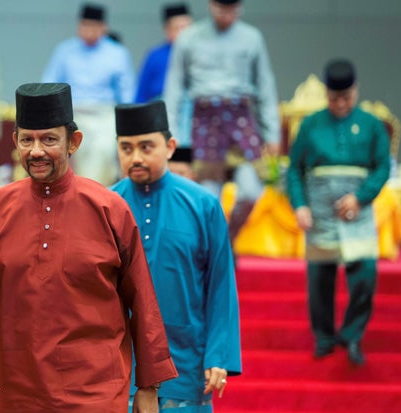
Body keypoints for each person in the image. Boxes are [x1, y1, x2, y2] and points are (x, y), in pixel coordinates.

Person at [0, 83, 177, 413]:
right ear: (14, 141)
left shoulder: (108, 208)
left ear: (73, 141)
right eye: (27, 140)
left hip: (97, 392)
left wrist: (148, 387)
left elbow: (143, 301)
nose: (36, 151)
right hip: (24, 395)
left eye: (49, 139)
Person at [111, 100, 241, 413]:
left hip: (184, 357)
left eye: (146, 147)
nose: (136, 157)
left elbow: (220, 285)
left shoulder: (203, 205)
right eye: (126, 148)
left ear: (169, 146)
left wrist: (219, 355)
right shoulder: (105, 205)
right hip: (123, 361)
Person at [287, 59, 390, 366]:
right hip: (320, 207)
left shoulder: (372, 124)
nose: (341, 104)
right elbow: (294, 169)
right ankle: (324, 336)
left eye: (346, 98)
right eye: (334, 99)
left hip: (357, 208)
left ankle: (353, 334)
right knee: (320, 278)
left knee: (364, 275)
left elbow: (383, 167)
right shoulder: (310, 124)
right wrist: (300, 205)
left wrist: (361, 197)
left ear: (356, 91)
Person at [163, 0, 280, 244]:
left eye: (232, 9)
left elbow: (265, 86)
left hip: (241, 117)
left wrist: (272, 134)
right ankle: (214, 248)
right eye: (221, 9)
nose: (227, 15)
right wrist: (170, 135)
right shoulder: (188, 39)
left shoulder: (252, 37)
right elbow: (174, 88)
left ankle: (227, 237)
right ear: (210, 5)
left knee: (251, 191)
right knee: (208, 199)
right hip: (205, 121)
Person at [42, 3, 135, 186]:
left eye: (94, 26)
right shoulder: (65, 51)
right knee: (71, 159)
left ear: (104, 28)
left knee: (105, 155)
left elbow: (127, 93)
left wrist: (128, 124)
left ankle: (99, 199)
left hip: (105, 115)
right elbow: (49, 84)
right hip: (72, 114)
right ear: (79, 26)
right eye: (85, 25)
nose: (89, 30)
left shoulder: (117, 53)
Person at [135, 4, 193, 146]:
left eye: (188, 27)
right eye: (178, 28)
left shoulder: (201, 55)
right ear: (167, 30)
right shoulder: (155, 56)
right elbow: (141, 95)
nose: (184, 33)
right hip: (161, 115)